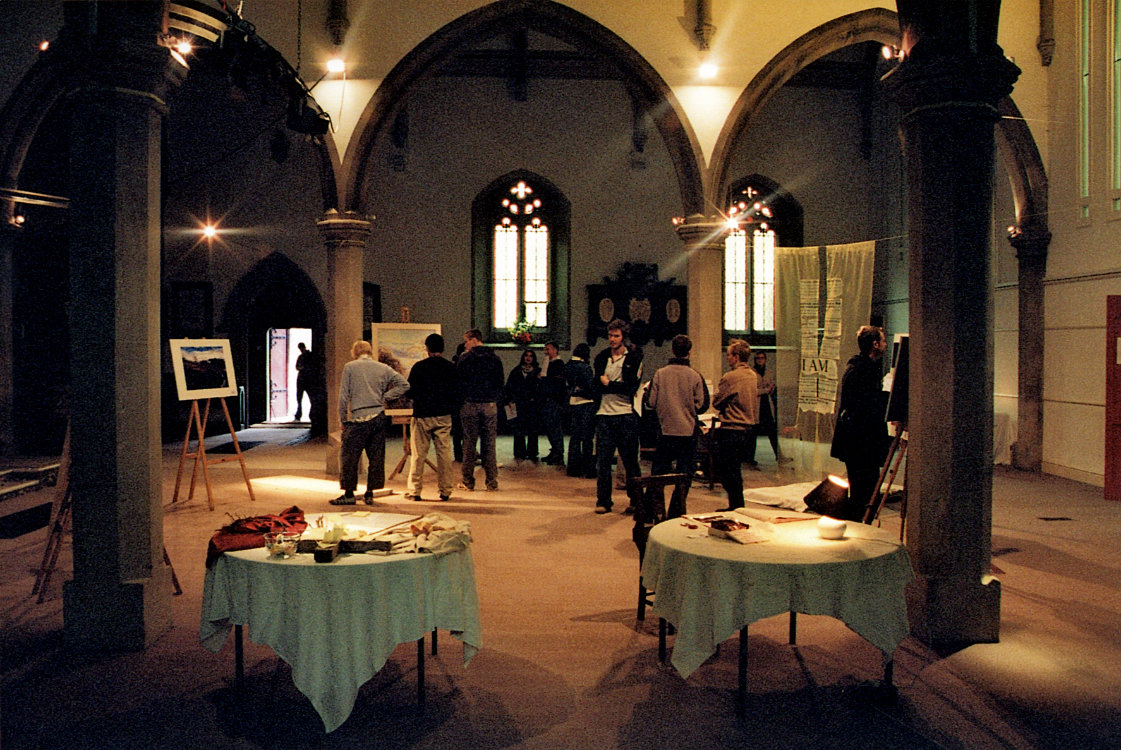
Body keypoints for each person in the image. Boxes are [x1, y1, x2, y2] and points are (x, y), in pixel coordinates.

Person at [333, 339, 409, 505]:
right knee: (376, 457)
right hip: (378, 417)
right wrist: (386, 397)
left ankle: (349, 494)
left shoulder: (350, 367)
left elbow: (343, 396)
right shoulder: (382, 367)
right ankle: (369, 493)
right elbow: (404, 384)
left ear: (355, 352)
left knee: (349, 457)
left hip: (358, 418)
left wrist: (343, 419)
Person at [642, 334, 710, 518]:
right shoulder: (695, 375)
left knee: (658, 473)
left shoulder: (660, 374)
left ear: (672, 350)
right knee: (684, 474)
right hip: (687, 431)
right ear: (690, 352)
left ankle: (652, 511)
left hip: (665, 430)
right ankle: (676, 512)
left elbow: (651, 402)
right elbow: (702, 405)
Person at [831, 325, 890, 522]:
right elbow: (864, 407)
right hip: (860, 442)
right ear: (875, 344)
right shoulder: (862, 370)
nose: (885, 344)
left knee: (865, 488)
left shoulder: (863, 367)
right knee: (863, 490)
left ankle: (859, 522)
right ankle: (858, 525)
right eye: (883, 340)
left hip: (860, 442)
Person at [592, 319, 643, 514]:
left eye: (616, 336)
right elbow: (595, 384)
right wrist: (605, 385)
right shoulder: (602, 357)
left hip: (625, 414)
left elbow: (630, 387)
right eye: (610, 335)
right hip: (604, 414)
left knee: (630, 461)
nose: (612, 339)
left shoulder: (634, 358)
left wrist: (609, 384)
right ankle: (603, 501)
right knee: (603, 461)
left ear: (624, 337)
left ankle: (636, 500)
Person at [404, 333, 458, 502]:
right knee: (444, 454)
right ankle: (446, 490)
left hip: (422, 414)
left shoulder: (419, 367)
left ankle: (415, 491)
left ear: (427, 348)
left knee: (418, 454)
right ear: (443, 348)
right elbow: (457, 392)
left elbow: (410, 392)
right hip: (443, 415)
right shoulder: (450, 367)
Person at [711, 338, 759, 511]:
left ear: (737, 357)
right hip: (747, 429)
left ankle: (736, 506)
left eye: (729, 355)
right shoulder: (752, 375)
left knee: (726, 470)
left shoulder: (731, 377)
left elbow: (717, 402)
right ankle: (737, 505)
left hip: (731, 427)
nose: (727, 357)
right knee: (734, 469)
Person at [457, 328, 504, 491]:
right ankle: (491, 482)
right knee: (489, 444)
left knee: (469, 444)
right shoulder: (495, 359)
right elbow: (500, 382)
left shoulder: (465, 358)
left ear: (474, 340)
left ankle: (468, 481)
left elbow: (459, 382)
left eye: (466, 341)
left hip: (470, 404)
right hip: (489, 404)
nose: (465, 345)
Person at [564, 342, 597, 478]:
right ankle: (588, 468)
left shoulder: (568, 365)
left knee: (575, 436)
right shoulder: (584, 367)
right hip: (586, 403)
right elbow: (590, 386)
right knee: (587, 437)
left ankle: (573, 468)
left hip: (573, 402)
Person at [752, 350, 790, 464]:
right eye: (758, 358)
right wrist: (766, 390)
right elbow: (752, 391)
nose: (760, 360)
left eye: (762, 358)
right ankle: (749, 459)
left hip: (767, 405)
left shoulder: (769, 372)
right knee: (753, 433)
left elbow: (770, 389)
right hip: (756, 406)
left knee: (772, 431)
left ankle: (779, 456)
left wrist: (771, 389)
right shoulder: (752, 373)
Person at [505, 349, 541, 463]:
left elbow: (541, 387)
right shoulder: (516, 371)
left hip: (532, 404)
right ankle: (519, 452)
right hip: (519, 403)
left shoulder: (538, 372)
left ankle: (532, 452)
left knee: (532, 429)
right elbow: (509, 386)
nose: (528, 358)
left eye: (531, 356)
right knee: (519, 429)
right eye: (526, 355)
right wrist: (509, 399)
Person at [538, 341, 567, 465]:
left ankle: (558, 452)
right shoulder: (547, 362)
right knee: (549, 427)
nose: (546, 352)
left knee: (555, 427)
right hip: (547, 399)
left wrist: (544, 378)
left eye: (548, 349)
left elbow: (556, 382)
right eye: (545, 349)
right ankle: (554, 449)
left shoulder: (559, 364)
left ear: (555, 350)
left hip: (555, 400)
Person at [293, 342, 315, 421]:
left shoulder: (307, 356)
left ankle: (307, 414)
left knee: (309, 398)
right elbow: (297, 367)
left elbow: (298, 367)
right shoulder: (302, 356)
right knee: (300, 398)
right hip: (304, 379)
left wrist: (303, 368)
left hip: (306, 379)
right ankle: (301, 414)